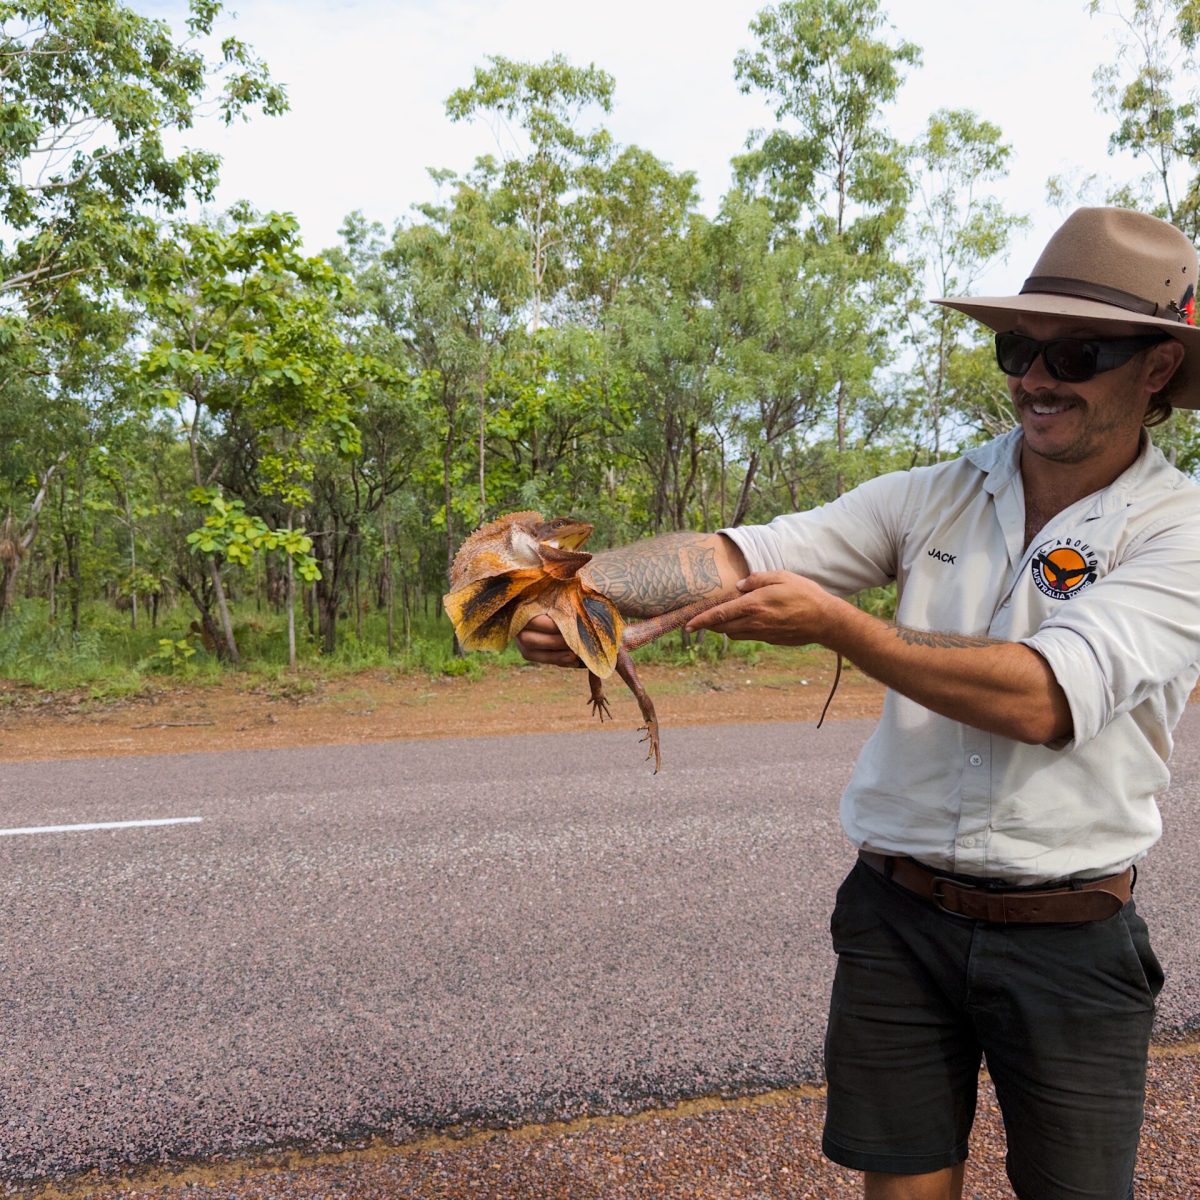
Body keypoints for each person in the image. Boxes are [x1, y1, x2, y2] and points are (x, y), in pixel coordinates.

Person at [515, 206, 1200, 1200]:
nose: (1036, 378)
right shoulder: (934, 496)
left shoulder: (1178, 533)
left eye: (1077, 352)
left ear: (1158, 370)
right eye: (1019, 346)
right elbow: (741, 555)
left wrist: (845, 630)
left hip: (1072, 938)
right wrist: (573, 587)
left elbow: (1050, 696)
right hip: (898, 918)